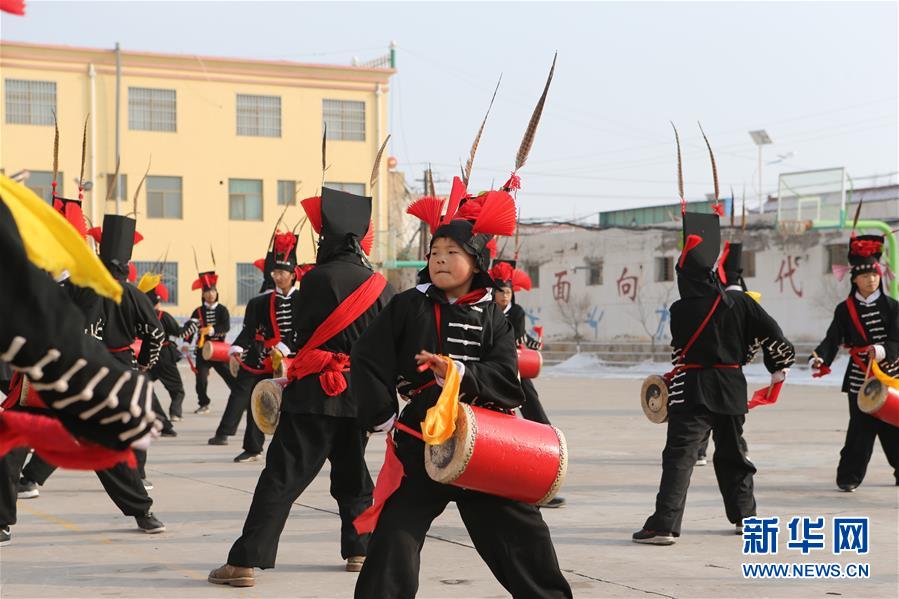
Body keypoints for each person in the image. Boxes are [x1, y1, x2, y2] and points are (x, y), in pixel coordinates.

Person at [351, 179, 572, 598]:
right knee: (394, 535)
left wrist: (456, 373)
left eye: (452, 252)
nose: (440, 259)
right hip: (421, 436)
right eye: (434, 252)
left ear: (476, 262)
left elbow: (507, 381)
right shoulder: (407, 305)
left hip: (485, 439)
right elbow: (366, 357)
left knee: (521, 536)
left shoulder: (494, 318)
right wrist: (383, 416)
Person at [208, 187, 393, 587]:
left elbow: (301, 335)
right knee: (354, 478)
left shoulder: (314, 280)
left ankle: (244, 562)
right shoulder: (379, 286)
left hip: (313, 394)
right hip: (357, 397)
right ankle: (360, 550)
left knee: (281, 477)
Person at [0, 174, 160, 544]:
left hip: (72, 375)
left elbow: (74, 323)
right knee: (7, 449)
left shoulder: (86, 284)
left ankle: (142, 509)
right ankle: (2, 520)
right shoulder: (31, 275)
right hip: (33, 382)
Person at [633, 204, 795, 545]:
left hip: (691, 389)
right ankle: (745, 517)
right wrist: (773, 365)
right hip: (731, 388)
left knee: (680, 458)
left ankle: (664, 525)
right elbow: (776, 339)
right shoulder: (741, 303)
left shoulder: (680, 309)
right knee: (733, 454)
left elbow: (679, 354)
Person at [810, 234, 899, 491]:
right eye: (865, 275)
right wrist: (820, 357)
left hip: (890, 375)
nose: (871, 279)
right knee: (860, 428)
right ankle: (849, 477)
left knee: (894, 427)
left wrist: (881, 350)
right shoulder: (844, 309)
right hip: (861, 378)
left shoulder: (893, 307)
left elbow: (897, 339)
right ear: (854, 279)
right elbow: (833, 338)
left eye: (874, 275)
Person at [211, 233, 305, 463]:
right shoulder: (260, 302)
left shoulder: (306, 300)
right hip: (266, 359)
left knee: (297, 408)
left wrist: (285, 347)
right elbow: (250, 330)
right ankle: (253, 447)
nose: (277, 277)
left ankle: (298, 451)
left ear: (293, 275)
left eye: (282, 273)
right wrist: (236, 348)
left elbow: (306, 328)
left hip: (298, 359)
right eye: (275, 273)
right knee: (258, 398)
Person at [490, 258, 566, 508]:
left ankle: (544, 477)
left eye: (508, 292)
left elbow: (516, 341)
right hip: (492, 375)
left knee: (537, 420)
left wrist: (531, 344)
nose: (504, 296)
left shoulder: (517, 313)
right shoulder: (485, 310)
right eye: (500, 291)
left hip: (515, 373)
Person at [184, 268, 234, 414]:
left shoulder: (222, 310)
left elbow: (226, 327)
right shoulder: (198, 311)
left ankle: (241, 401)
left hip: (219, 350)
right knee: (201, 379)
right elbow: (191, 328)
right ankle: (204, 403)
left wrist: (212, 330)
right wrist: (186, 343)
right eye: (207, 292)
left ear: (216, 293)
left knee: (230, 377)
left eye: (213, 291)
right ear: (203, 294)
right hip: (202, 350)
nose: (210, 294)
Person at [138, 273, 186, 422]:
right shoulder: (162, 316)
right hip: (164, 355)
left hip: (146, 355)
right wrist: (192, 325)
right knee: (177, 390)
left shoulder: (140, 315)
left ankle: (139, 411)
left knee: (141, 385)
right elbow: (179, 332)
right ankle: (175, 413)